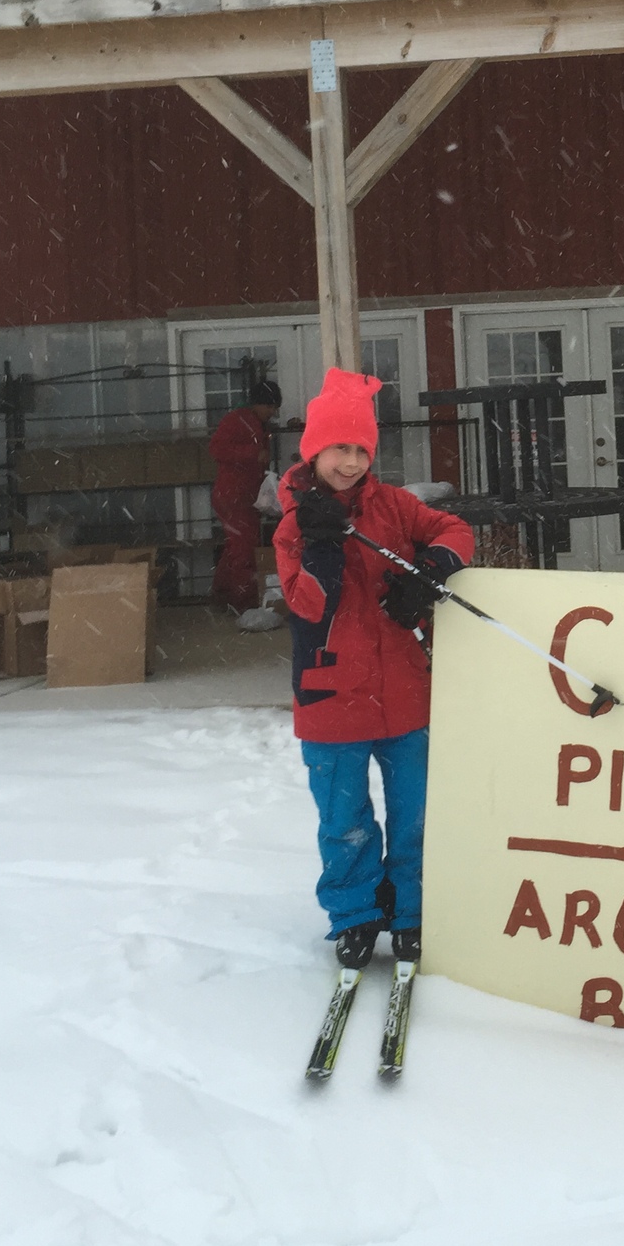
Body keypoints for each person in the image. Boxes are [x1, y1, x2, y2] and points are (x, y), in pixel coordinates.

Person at [273, 365, 474, 969]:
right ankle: (356, 912)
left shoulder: (392, 506)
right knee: (345, 820)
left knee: (414, 814)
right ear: (314, 451)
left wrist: (428, 574)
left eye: (361, 448)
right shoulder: (293, 527)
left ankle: (411, 912)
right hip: (331, 700)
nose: (352, 461)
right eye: (340, 447)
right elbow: (308, 602)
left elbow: (455, 529)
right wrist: (323, 545)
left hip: (406, 695)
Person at [207, 378, 281, 611]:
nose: (272, 412)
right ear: (258, 404)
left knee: (236, 547)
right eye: (269, 406)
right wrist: (253, 454)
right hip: (234, 497)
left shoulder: (255, 424)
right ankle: (244, 603)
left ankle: (223, 595)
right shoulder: (237, 421)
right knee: (244, 549)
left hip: (242, 497)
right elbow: (216, 449)